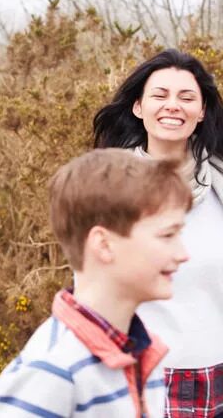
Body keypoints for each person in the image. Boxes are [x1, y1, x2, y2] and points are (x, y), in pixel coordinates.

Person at [0, 149, 191, 417]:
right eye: (167, 235)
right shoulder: (51, 369)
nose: (183, 254)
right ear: (103, 245)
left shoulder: (146, 351)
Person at [93, 49, 223, 417]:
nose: (173, 106)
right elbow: (91, 289)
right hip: (143, 376)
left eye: (186, 98)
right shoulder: (109, 184)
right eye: (160, 95)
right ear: (138, 107)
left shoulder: (218, 185)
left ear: (201, 113)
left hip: (217, 375)